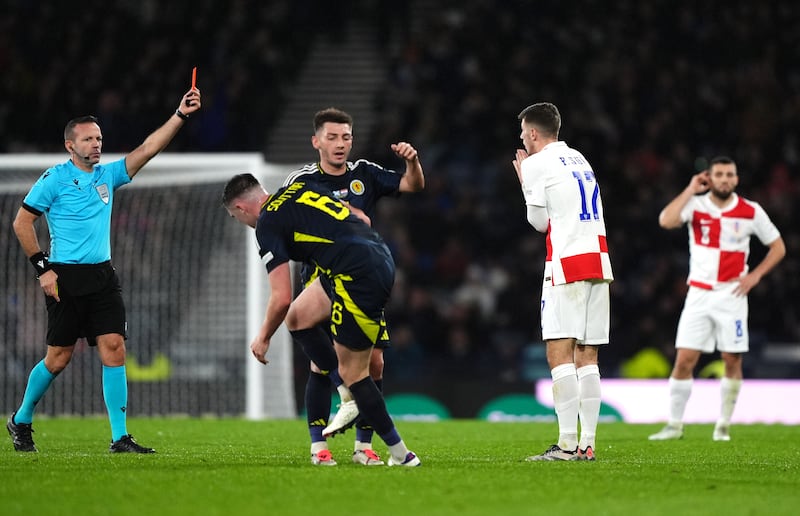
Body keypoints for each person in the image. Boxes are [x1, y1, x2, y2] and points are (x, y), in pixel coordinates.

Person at [6, 87, 202, 453]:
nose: (96, 144)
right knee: (58, 358)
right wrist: (42, 269)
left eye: (98, 138)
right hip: (64, 277)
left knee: (114, 348)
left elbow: (147, 149)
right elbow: (21, 222)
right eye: (88, 140)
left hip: (103, 277)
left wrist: (180, 114)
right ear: (70, 146)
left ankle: (119, 437)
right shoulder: (54, 179)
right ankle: (21, 418)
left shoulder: (108, 175)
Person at [221, 173, 421, 467]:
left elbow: (280, 296)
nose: (241, 222)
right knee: (298, 317)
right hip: (369, 256)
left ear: (240, 208)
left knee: (358, 373)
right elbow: (361, 218)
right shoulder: (299, 188)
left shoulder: (266, 224)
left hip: (356, 276)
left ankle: (402, 455)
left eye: (235, 217)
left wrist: (263, 337)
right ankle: (344, 391)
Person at [282, 107, 424, 466]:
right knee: (322, 365)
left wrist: (413, 162)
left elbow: (412, 185)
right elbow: (282, 223)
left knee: (375, 364)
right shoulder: (300, 181)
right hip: (321, 279)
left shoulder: (365, 174)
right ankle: (319, 446)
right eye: (332, 137)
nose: (340, 144)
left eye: (346, 136)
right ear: (316, 141)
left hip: (360, 281)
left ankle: (364, 447)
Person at [648, 156, 785, 442]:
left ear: (736, 179)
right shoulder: (696, 206)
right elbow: (665, 220)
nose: (725, 179)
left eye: (729, 175)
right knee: (684, 359)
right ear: (709, 177)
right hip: (698, 293)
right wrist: (689, 189)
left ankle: (723, 425)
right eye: (719, 174)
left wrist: (755, 275)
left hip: (731, 295)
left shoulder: (750, 211)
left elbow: (778, 247)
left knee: (731, 359)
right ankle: (674, 425)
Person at [511, 102, 613, 461]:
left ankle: (567, 444)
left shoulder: (538, 163)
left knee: (559, 353)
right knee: (588, 357)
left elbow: (539, 223)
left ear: (534, 133)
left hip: (566, 263)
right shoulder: (579, 158)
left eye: (524, 131)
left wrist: (525, 181)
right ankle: (588, 444)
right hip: (599, 262)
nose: (522, 137)